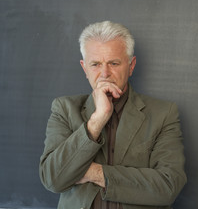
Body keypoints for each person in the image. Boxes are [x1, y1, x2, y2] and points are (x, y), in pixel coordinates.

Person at [39, 21, 187, 209]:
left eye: (114, 63)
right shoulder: (64, 109)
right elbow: (53, 179)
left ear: (131, 65)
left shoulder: (163, 113)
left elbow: (168, 186)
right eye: (95, 64)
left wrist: (96, 173)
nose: (104, 74)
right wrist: (96, 121)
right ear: (84, 68)